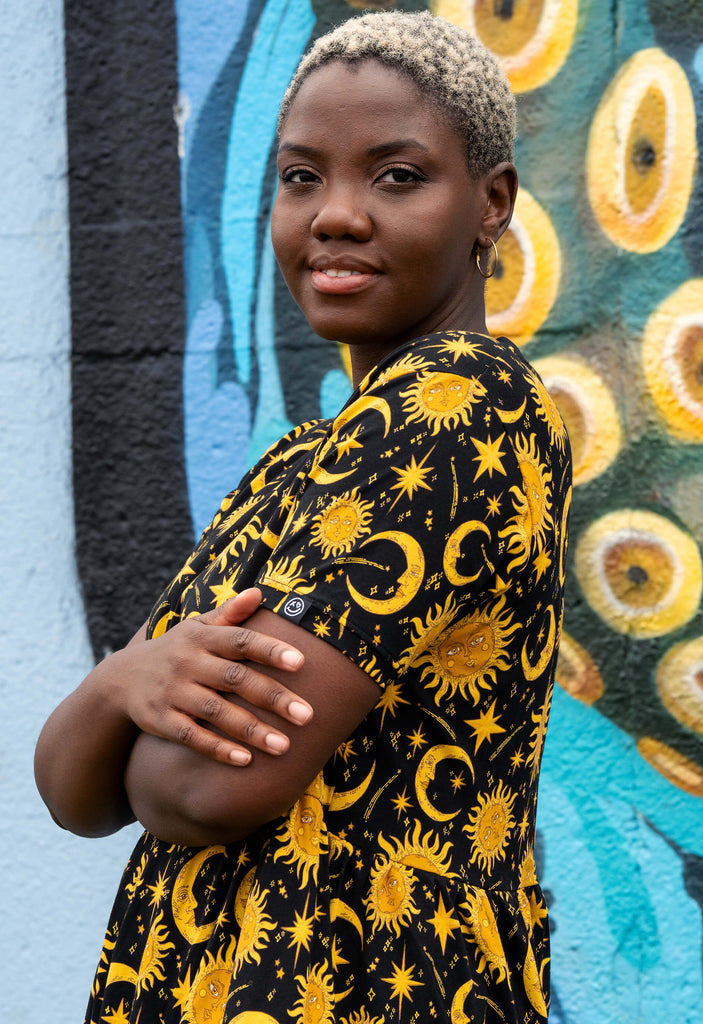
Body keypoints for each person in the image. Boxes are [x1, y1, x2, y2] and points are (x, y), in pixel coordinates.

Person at [36, 11, 571, 1023]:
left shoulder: (463, 404)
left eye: (397, 175)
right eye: (301, 177)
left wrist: (132, 704)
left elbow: (201, 789)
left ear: (490, 203)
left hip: (361, 987)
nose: (336, 215)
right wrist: (126, 681)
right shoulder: (298, 464)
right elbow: (76, 791)